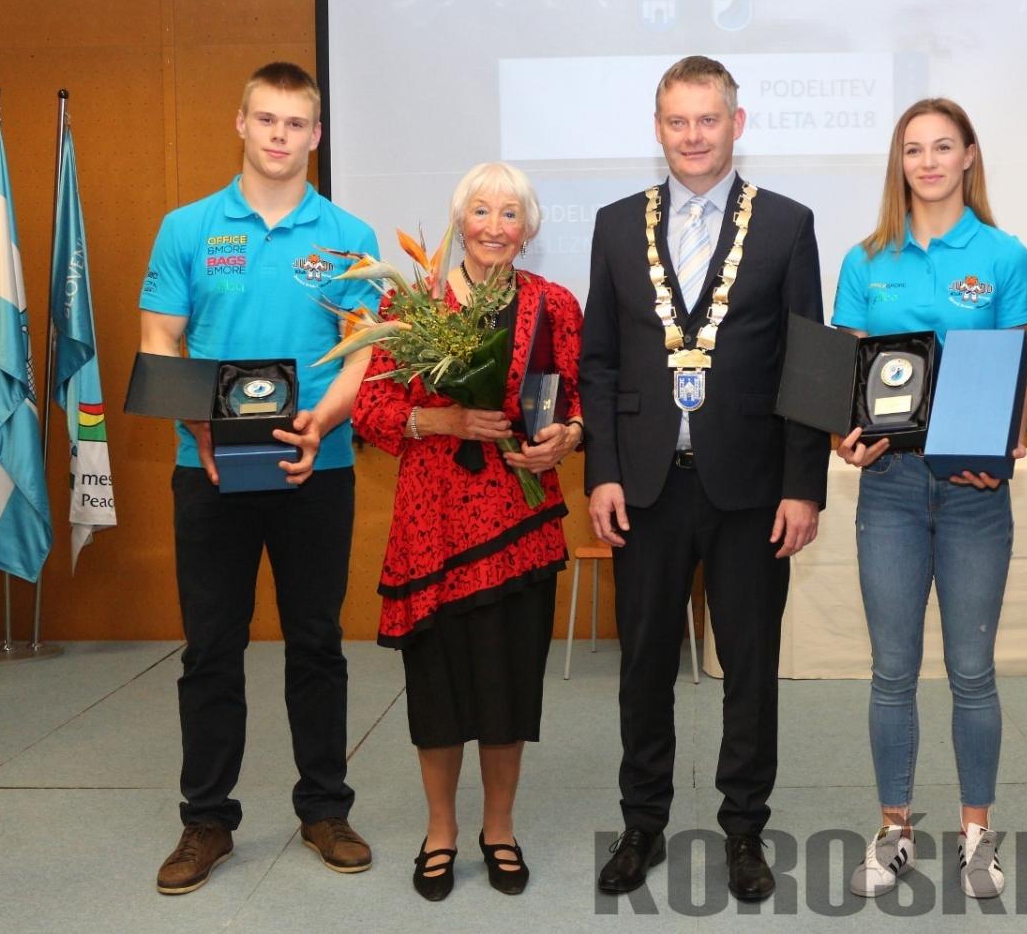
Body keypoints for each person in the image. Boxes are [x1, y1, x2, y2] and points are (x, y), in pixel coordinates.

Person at [581, 55, 828, 902]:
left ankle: (743, 830)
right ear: (659, 128)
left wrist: (806, 486)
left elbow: (808, 363)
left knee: (750, 666)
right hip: (645, 486)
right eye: (678, 121)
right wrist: (602, 472)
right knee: (643, 661)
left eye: (708, 120)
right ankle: (642, 820)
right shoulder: (616, 226)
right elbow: (600, 362)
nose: (693, 136)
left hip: (753, 488)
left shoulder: (789, 225)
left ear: (738, 123)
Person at [140, 61, 377, 894]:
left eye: (296, 123)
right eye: (265, 119)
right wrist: (195, 420)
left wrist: (326, 419)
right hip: (206, 468)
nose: (280, 135)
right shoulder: (187, 228)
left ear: (316, 135)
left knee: (317, 642)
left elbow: (364, 350)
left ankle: (324, 807)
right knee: (212, 647)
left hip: (319, 464)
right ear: (240, 123)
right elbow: (160, 337)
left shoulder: (350, 236)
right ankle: (206, 818)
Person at [352, 161, 583, 900]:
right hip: (435, 530)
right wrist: (440, 418)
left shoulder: (555, 304)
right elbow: (371, 412)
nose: (493, 226)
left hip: (519, 525)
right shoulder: (410, 303)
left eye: (509, 213)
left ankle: (501, 827)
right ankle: (443, 829)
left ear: (529, 228)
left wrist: (567, 438)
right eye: (480, 211)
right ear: (459, 220)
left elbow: (577, 401)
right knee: (439, 692)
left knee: (510, 687)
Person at [831, 98, 1027, 900]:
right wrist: (844, 438)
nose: (928, 162)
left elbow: (1018, 373)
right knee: (891, 669)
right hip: (887, 486)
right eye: (913, 149)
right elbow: (850, 383)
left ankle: (977, 834)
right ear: (900, 162)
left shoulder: (1004, 254)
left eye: (943, 146)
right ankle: (895, 830)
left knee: (973, 669)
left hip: (974, 490)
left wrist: (1007, 448)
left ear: (969, 155)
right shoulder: (865, 259)